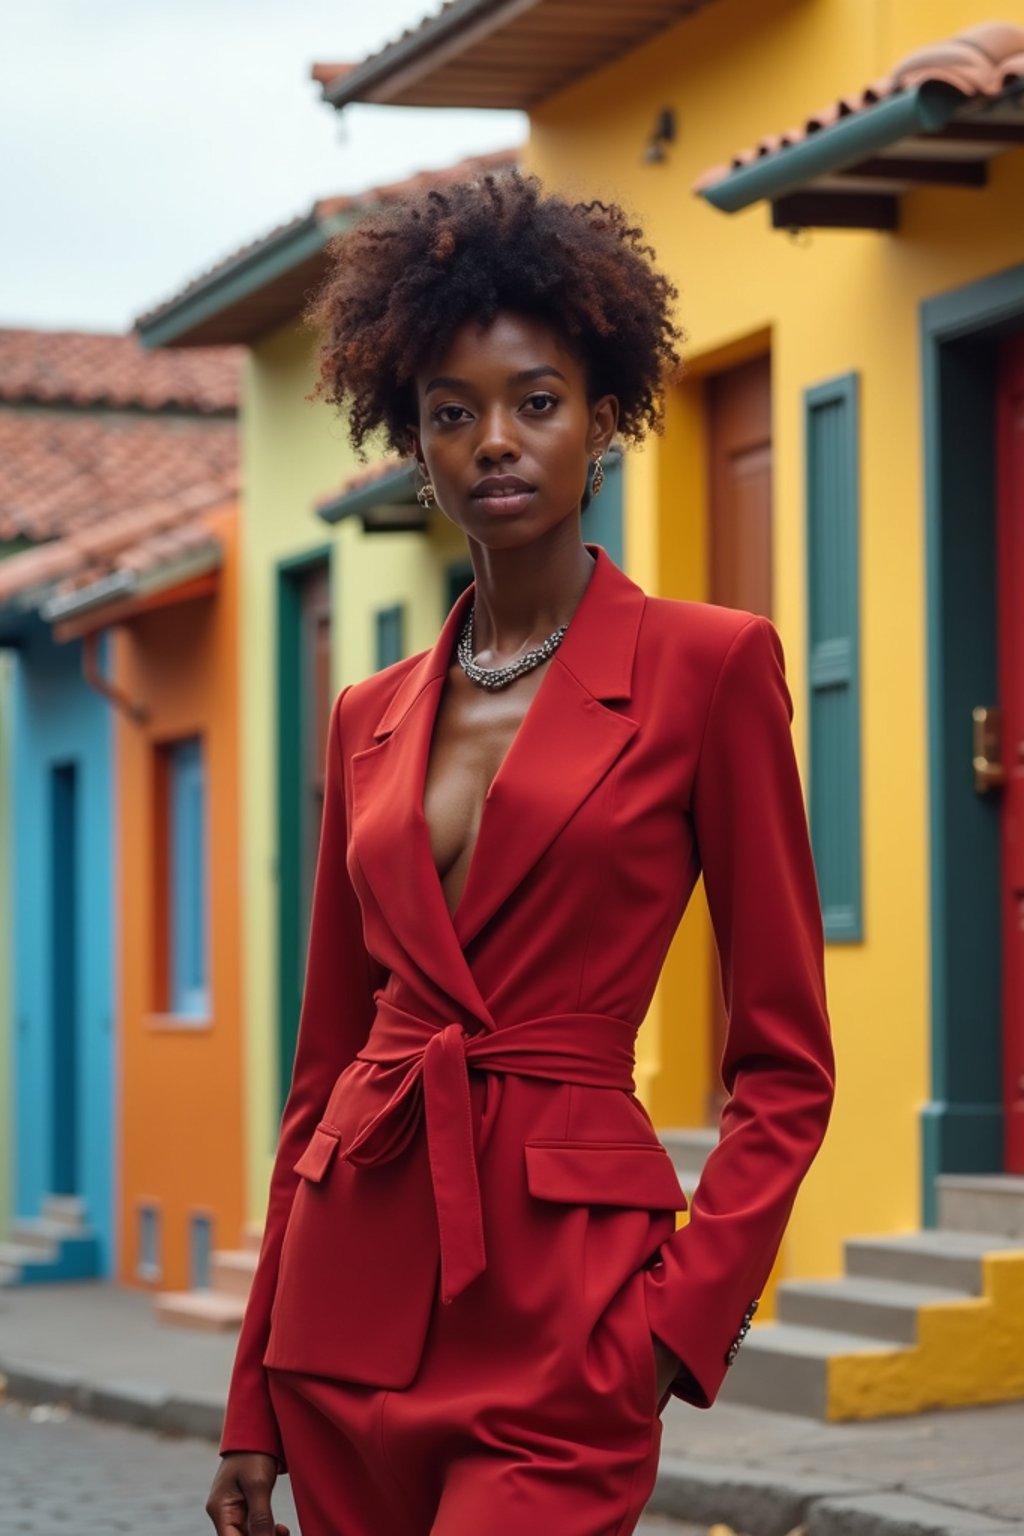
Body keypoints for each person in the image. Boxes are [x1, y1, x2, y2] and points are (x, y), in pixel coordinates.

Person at [206, 169, 835, 1536]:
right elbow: (323, 1075)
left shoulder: (709, 669)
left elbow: (785, 1060)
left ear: (604, 419)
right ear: (412, 445)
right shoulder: (367, 718)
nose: (496, 440)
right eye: (452, 414)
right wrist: (252, 1397)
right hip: (347, 1309)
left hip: (566, 1316)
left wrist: (676, 1327)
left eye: (535, 402)